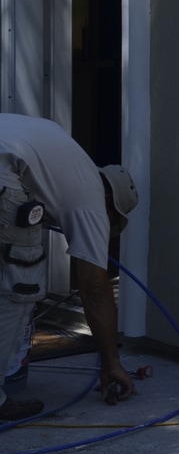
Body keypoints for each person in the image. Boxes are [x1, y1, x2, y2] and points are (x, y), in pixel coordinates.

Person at [0, 113, 138, 422]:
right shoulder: (91, 199)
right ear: (108, 199)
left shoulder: (61, 149)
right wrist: (111, 363)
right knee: (19, 287)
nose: (106, 228)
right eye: (112, 220)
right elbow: (94, 290)